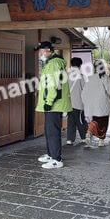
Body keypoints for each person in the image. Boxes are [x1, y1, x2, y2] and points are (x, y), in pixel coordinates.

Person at [35, 41, 71, 169]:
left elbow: (53, 84)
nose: (40, 54)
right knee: (49, 130)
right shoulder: (51, 62)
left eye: (41, 52)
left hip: (54, 103)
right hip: (54, 103)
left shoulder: (54, 63)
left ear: (48, 51)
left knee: (53, 132)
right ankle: (51, 155)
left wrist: (49, 102)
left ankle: (57, 159)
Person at [81, 59, 110, 149]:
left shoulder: (91, 78)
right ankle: (101, 141)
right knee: (103, 123)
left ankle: (89, 133)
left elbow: (84, 93)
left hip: (92, 105)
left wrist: (86, 103)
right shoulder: (105, 78)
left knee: (95, 121)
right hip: (103, 104)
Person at [66, 57, 87, 145]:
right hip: (79, 103)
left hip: (69, 103)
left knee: (70, 121)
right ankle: (83, 138)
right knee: (80, 121)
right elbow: (85, 90)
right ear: (80, 65)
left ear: (71, 64)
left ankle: (70, 139)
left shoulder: (67, 75)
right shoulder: (81, 76)